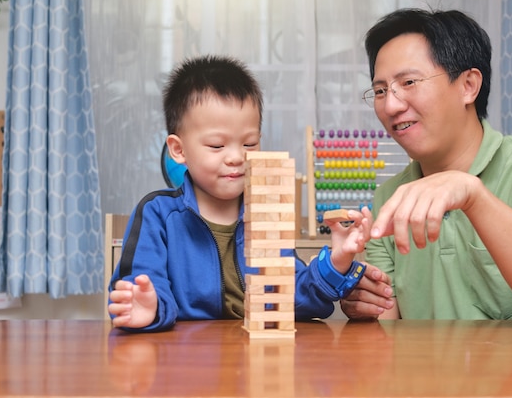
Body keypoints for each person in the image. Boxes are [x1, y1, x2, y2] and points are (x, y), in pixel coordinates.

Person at [333, 8, 512, 328]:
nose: (391, 105)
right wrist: (364, 303)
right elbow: (386, 326)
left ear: (468, 85)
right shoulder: (389, 197)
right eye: (381, 90)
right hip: (423, 376)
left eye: (409, 82)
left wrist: (472, 195)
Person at [108, 55, 370, 332]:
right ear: (178, 150)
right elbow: (141, 286)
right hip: (184, 361)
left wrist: (337, 261)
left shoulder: (266, 212)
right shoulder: (157, 214)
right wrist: (149, 308)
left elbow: (296, 301)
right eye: (217, 145)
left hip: (253, 362)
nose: (236, 156)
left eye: (249, 142)